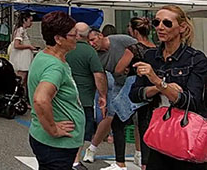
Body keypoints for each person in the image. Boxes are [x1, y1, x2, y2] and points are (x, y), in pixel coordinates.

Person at [130, 6, 207, 170]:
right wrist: (159, 88)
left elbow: (191, 101)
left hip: (187, 133)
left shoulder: (195, 59)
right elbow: (135, 94)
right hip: (157, 131)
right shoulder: (151, 56)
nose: (160, 27)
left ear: (182, 27)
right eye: (156, 22)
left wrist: (158, 82)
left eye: (167, 23)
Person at [28, 11, 85, 170]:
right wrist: (53, 129)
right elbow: (40, 99)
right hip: (56, 146)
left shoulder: (44, 56)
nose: (77, 38)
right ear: (58, 39)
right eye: (73, 35)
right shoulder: (55, 67)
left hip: (46, 140)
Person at [86, 28, 136, 167]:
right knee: (111, 115)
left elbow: (139, 48)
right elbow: (101, 77)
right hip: (119, 85)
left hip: (135, 81)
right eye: (89, 41)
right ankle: (92, 148)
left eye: (93, 39)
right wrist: (103, 96)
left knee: (139, 119)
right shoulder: (96, 56)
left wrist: (131, 64)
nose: (91, 43)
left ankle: (138, 154)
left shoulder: (120, 40)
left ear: (101, 36)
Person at [66, 22, 108, 170]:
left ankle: (66, 158)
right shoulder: (90, 52)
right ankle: (75, 160)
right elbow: (99, 75)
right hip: (84, 99)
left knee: (66, 128)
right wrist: (103, 95)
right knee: (81, 130)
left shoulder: (65, 49)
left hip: (64, 97)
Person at [115, 17, 156, 169]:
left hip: (133, 86)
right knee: (144, 125)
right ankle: (145, 162)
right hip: (149, 88)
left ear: (134, 31)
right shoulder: (154, 48)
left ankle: (120, 162)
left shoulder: (133, 48)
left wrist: (127, 70)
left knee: (118, 122)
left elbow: (118, 69)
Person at [9, 13, 38, 95]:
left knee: (24, 81)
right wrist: (29, 46)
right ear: (24, 20)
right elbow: (16, 45)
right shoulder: (20, 30)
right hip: (21, 60)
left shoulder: (22, 31)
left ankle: (24, 98)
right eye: (30, 20)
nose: (31, 23)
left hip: (24, 59)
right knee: (21, 80)